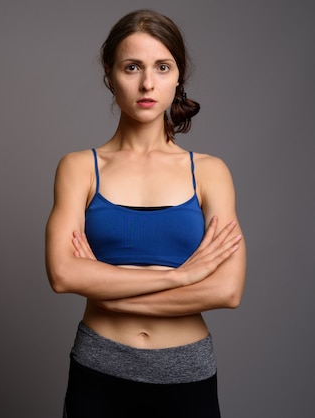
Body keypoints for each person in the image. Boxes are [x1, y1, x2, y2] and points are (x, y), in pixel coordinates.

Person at [45, 9, 246, 418]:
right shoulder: (79, 167)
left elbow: (227, 290)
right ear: (110, 74)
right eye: (132, 67)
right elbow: (64, 275)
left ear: (178, 76)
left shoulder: (210, 172)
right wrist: (183, 276)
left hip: (186, 372)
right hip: (99, 368)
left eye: (162, 67)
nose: (148, 83)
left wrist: (109, 293)